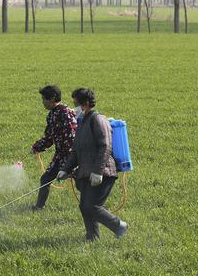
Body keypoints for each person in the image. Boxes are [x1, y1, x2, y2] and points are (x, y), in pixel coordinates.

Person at [57, 88, 128, 241]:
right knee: (85, 207)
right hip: (86, 174)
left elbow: (105, 145)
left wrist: (98, 171)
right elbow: (75, 152)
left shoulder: (97, 119)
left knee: (91, 206)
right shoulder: (82, 123)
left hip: (103, 173)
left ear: (86, 104)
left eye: (76, 104)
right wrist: (65, 169)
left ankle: (119, 226)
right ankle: (92, 238)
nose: (73, 108)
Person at [30, 85, 77, 210]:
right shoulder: (51, 115)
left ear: (52, 99)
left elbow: (72, 136)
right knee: (45, 178)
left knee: (82, 183)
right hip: (60, 155)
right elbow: (49, 137)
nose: (42, 103)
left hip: (73, 155)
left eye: (44, 99)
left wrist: (68, 163)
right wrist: (37, 147)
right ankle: (39, 207)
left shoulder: (65, 113)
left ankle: (94, 207)